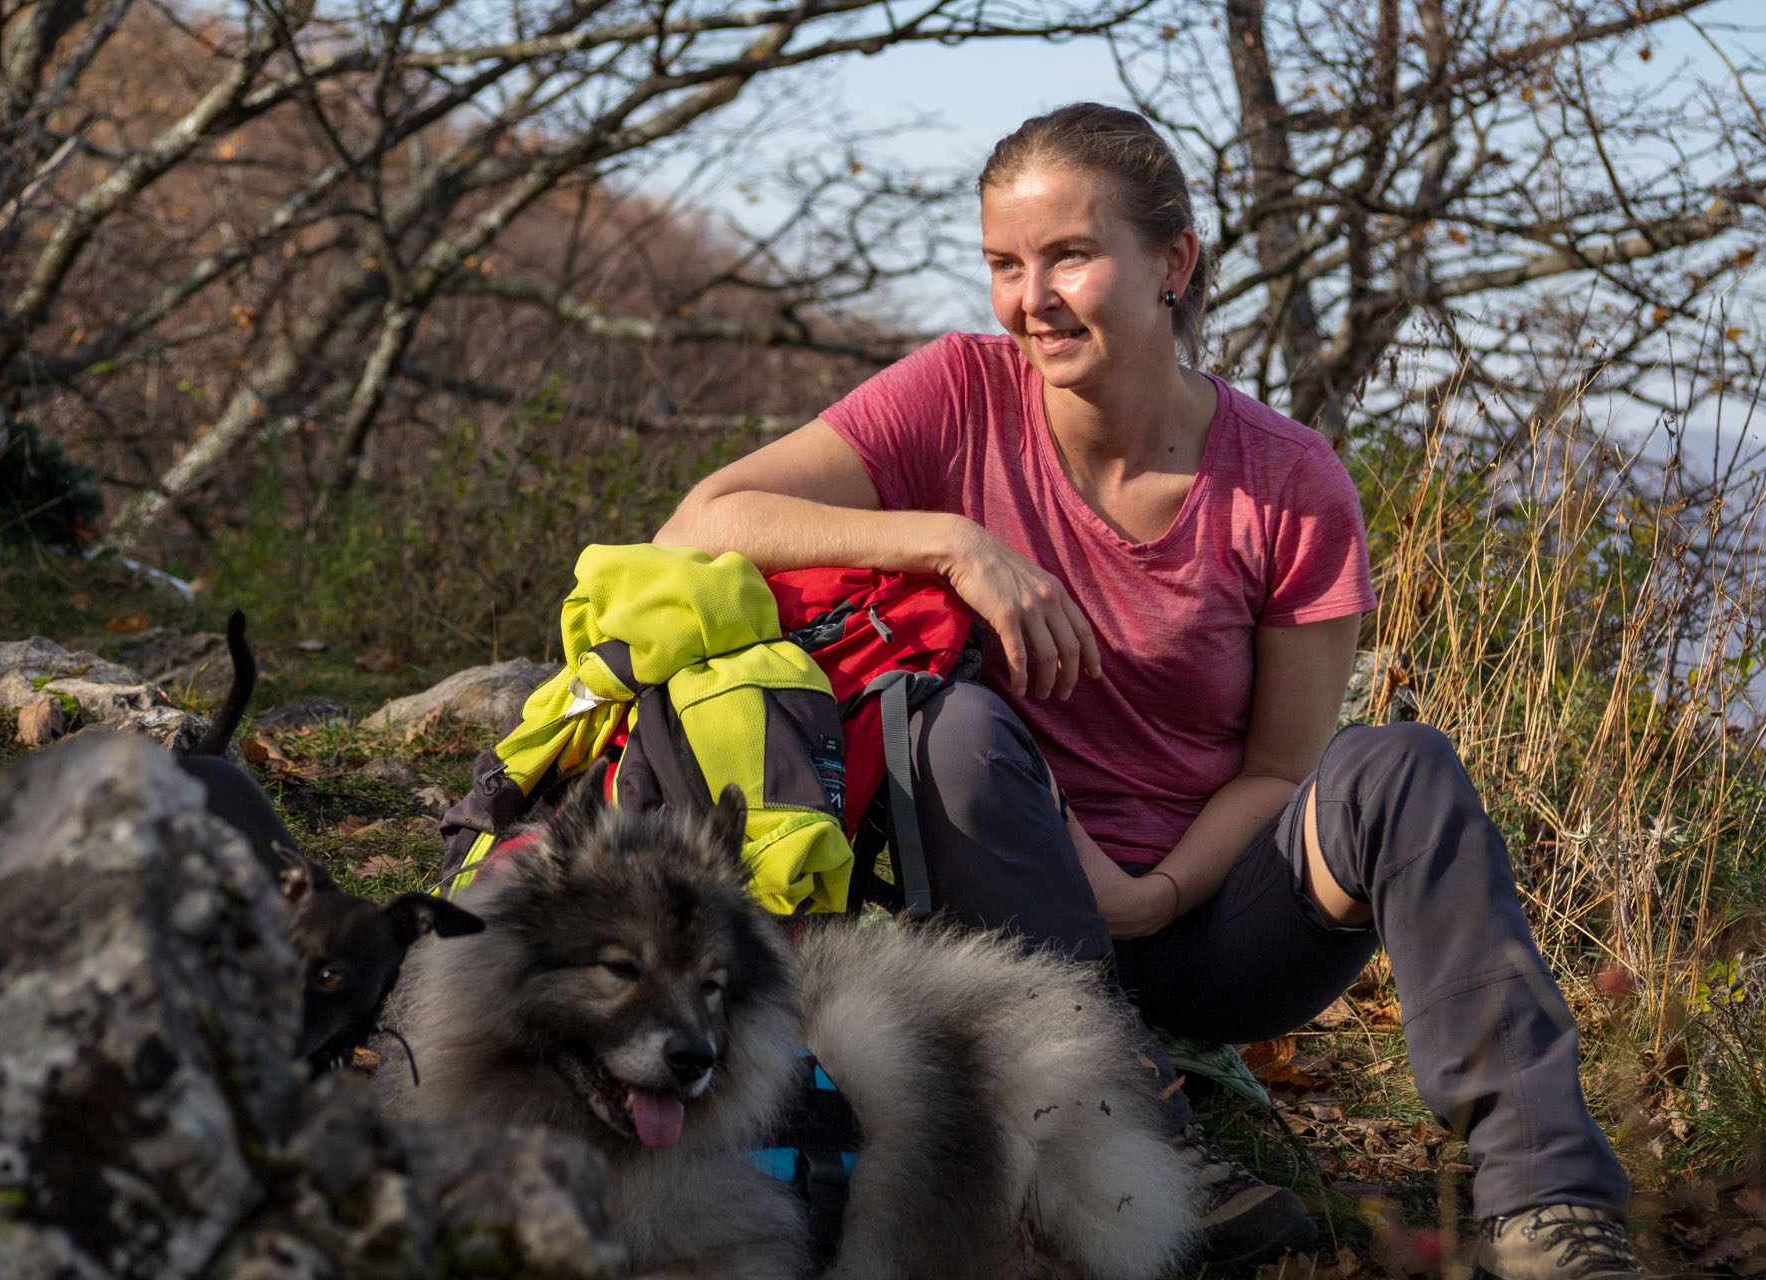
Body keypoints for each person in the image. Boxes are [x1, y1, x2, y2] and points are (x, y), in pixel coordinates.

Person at [654, 103, 1650, 1280]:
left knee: (1405, 766)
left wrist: (1155, 890)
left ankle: (1552, 1205)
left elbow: (1284, 769)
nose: (1033, 298)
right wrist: (953, 542)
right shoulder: (956, 398)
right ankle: (1155, 1142)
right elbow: (698, 525)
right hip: (1006, 908)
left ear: (1172, 263)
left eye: (1070, 254)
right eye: (1004, 265)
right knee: (947, 726)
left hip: (1224, 918)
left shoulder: (1288, 481)